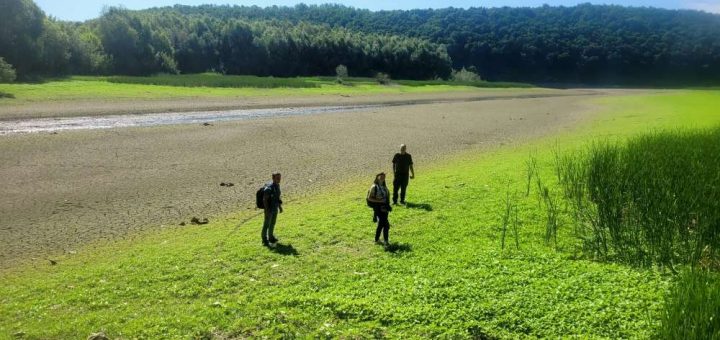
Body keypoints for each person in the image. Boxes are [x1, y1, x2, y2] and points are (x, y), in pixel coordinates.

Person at [367, 172, 391, 245]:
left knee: (381, 225)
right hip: (378, 208)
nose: (383, 178)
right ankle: (385, 241)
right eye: (381, 177)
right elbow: (369, 198)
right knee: (386, 225)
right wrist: (379, 200)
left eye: (384, 177)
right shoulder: (374, 187)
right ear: (377, 177)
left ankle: (377, 240)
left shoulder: (384, 186)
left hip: (385, 208)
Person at [262, 172, 283, 246]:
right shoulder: (269, 188)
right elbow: (265, 199)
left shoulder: (277, 185)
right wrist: (267, 211)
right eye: (277, 178)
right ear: (273, 178)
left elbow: (277, 197)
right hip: (269, 210)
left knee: (273, 223)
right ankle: (264, 240)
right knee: (266, 224)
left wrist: (280, 207)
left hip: (275, 208)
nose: (279, 179)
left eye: (280, 178)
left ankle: (271, 237)